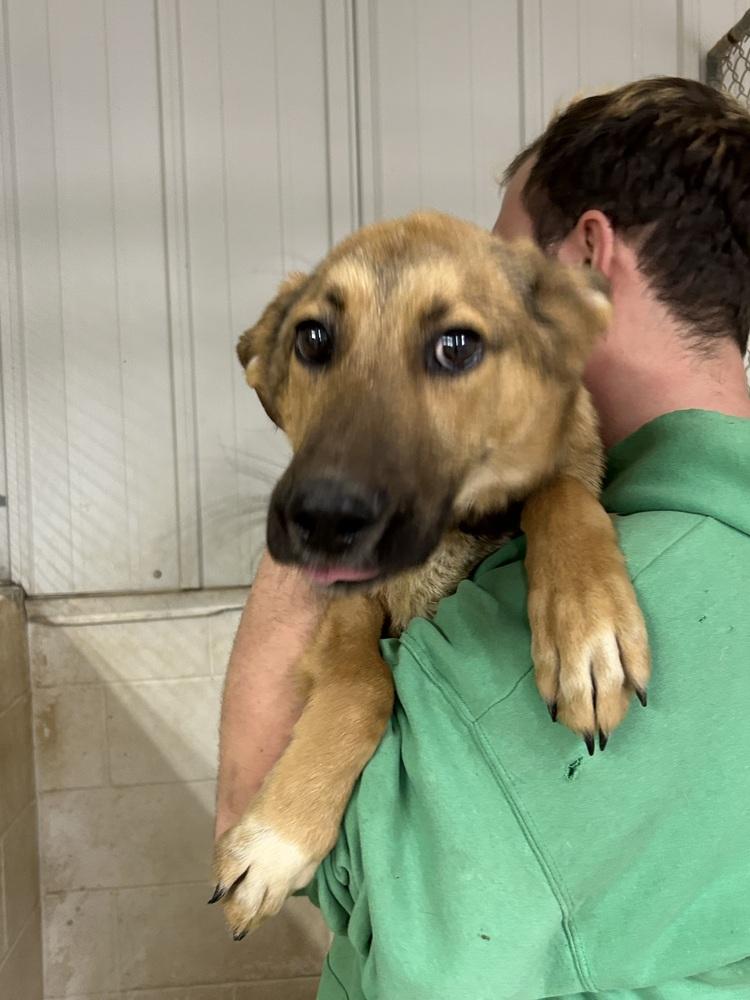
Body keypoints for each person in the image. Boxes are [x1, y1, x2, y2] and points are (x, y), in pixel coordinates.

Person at [215, 77, 750, 999]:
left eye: (491, 258)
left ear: (580, 273)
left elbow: (254, 807)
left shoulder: (650, 598)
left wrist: (341, 488)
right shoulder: (665, 524)